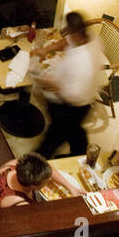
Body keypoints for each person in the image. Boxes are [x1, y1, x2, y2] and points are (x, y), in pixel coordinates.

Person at [32, 12, 100, 158]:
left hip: (72, 106)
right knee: (75, 131)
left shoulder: (83, 63)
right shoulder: (86, 38)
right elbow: (66, 42)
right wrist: (46, 50)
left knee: (54, 137)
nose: (66, 33)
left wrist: (47, 82)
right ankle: (80, 155)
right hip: (74, 102)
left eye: (68, 30)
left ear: (75, 32)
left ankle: (38, 158)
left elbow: (71, 94)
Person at [0, 152, 83, 207]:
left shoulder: (16, 165)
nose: (51, 178)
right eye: (46, 179)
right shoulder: (20, 204)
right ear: (33, 186)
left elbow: (48, 167)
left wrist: (71, 188)